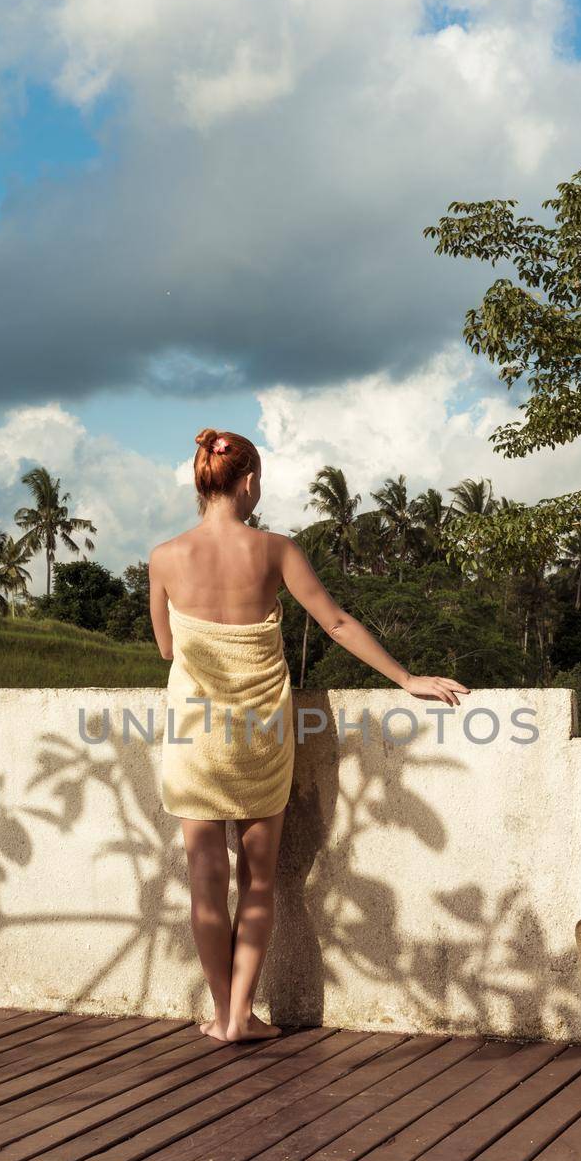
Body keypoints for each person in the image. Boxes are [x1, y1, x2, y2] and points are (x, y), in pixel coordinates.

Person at [149, 427, 469, 1043]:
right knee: (261, 880)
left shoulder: (164, 557)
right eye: (259, 480)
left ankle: (222, 1017)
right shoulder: (276, 551)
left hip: (194, 736)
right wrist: (406, 677)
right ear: (247, 483)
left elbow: (168, 648)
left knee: (206, 881)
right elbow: (338, 622)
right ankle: (245, 1012)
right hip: (261, 734)